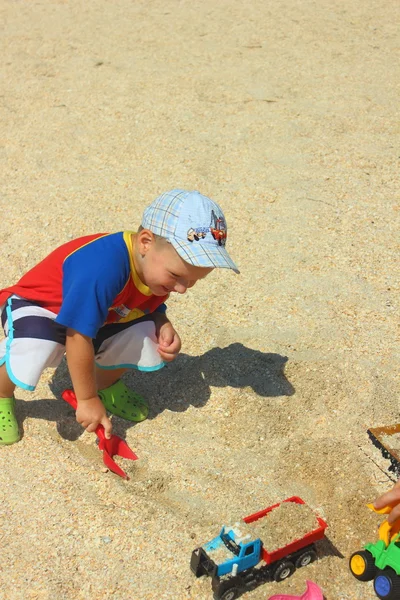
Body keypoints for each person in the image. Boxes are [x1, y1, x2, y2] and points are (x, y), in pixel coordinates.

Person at [0, 189, 239, 445]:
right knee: (37, 346)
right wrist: (86, 400)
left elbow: (144, 301)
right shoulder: (101, 269)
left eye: (193, 281)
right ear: (145, 242)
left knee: (148, 333)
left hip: (100, 313)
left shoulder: (153, 267)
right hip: (40, 306)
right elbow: (77, 336)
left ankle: (104, 385)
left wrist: (161, 321)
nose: (182, 288)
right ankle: (2, 394)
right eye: (176, 276)